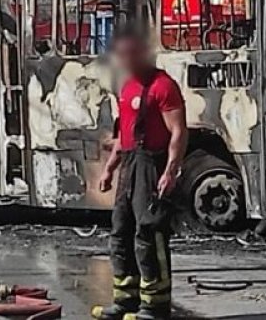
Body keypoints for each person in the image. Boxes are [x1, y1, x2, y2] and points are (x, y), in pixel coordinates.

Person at [91, 25, 187, 320]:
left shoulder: (163, 86)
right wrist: (109, 171)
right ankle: (125, 301)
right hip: (130, 165)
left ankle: (155, 307)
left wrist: (170, 171)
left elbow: (179, 132)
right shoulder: (127, 87)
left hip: (151, 164)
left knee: (149, 234)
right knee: (121, 232)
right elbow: (124, 136)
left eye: (128, 55)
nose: (123, 61)